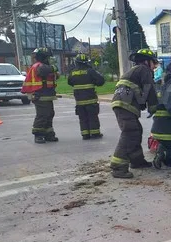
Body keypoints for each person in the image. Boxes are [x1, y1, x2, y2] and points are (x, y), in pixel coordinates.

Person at [109, 48, 159, 179]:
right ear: (147, 61)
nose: (155, 67)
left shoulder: (135, 70)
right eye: (154, 63)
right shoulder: (144, 70)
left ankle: (137, 161)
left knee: (137, 129)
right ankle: (118, 167)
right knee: (130, 132)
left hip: (123, 103)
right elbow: (149, 88)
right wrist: (154, 107)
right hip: (125, 104)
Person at [21, 47, 59, 144]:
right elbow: (43, 71)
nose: (50, 59)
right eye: (49, 57)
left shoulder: (43, 65)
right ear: (44, 57)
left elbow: (54, 76)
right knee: (42, 115)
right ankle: (38, 134)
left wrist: (55, 72)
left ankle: (49, 134)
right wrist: (54, 67)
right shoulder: (39, 66)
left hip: (46, 95)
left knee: (49, 114)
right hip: (40, 95)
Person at [67, 53, 106, 140]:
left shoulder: (72, 73)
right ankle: (95, 133)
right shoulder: (90, 71)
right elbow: (101, 81)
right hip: (90, 100)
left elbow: (69, 82)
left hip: (79, 101)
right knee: (93, 117)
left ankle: (85, 134)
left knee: (83, 118)